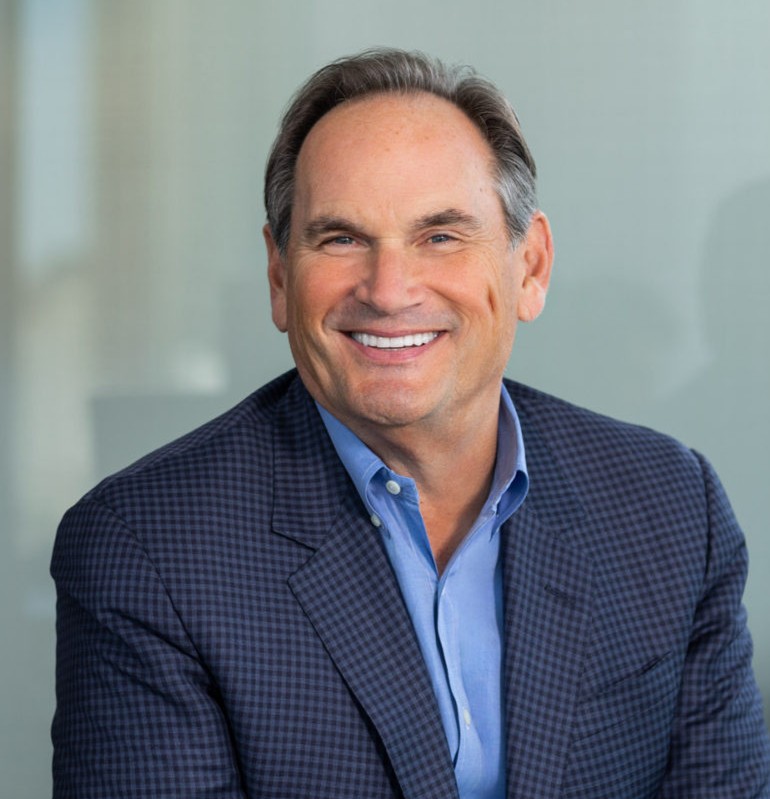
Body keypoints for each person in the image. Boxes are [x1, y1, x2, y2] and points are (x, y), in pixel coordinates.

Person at [51, 48, 770, 798]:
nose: (389, 291)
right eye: (341, 238)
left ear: (530, 268)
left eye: (441, 236)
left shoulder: (669, 506)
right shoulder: (149, 549)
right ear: (279, 276)